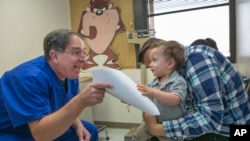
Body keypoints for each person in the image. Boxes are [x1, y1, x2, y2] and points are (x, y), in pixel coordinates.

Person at [0, 29, 113, 141]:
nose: (83, 59)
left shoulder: (70, 74)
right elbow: (41, 135)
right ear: (54, 56)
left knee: (89, 131)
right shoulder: (30, 78)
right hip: (13, 131)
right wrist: (80, 101)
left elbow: (66, 106)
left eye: (84, 52)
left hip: (41, 126)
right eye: (77, 52)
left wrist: (78, 125)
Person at [137, 37, 250, 141]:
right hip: (211, 122)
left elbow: (210, 119)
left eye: (154, 60)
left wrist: (156, 128)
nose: (152, 66)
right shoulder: (173, 71)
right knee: (141, 132)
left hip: (231, 131)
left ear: (169, 59)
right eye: (149, 64)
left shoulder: (197, 60)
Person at [133, 40, 187, 141]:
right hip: (154, 122)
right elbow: (144, 99)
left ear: (170, 63)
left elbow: (175, 99)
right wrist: (131, 97)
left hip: (169, 126)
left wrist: (153, 92)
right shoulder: (151, 83)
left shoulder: (178, 81)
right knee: (138, 134)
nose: (150, 65)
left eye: (154, 60)